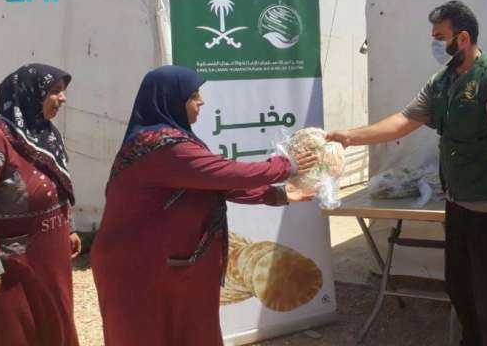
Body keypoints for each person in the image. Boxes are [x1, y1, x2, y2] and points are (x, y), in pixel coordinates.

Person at [328, 1, 487, 346]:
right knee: (460, 288)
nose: (434, 45)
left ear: (463, 38)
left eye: (440, 37)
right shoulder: (442, 82)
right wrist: (349, 137)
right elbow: (403, 121)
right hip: (458, 206)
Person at [91, 65, 317, 346]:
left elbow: (214, 184)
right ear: (171, 99)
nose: (201, 101)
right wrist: (286, 166)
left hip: (163, 261)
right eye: (194, 95)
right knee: (147, 333)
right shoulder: (162, 146)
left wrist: (278, 195)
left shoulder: (175, 141)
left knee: (187, 331)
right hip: (137, 265)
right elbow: (226, 173)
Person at [0, 64, 82, 346]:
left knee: (55, 322)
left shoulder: (46, 135)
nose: (63, 99)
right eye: (55, 91)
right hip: (12, 262)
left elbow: (60, 183)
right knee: (13, 329)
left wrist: (69, 227)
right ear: (30, 94)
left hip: (51, 253)